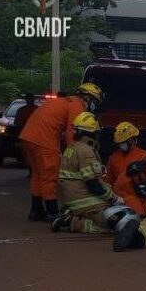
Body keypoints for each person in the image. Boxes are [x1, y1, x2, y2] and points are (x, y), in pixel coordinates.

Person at [19, 82, 104, 221]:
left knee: (37, 174)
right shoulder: (77, 106)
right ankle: (52, 212)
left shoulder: (66, 102)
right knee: (49, 176)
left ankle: (36, 210)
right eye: (95, 101)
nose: (94, 105)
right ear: (88, 98)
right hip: (44, 140)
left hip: (28, 137)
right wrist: (75, 153)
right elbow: (73, 131)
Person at [52, 112, 134, 233]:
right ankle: (72, 222)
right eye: (96, 133)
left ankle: (71, 213)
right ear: (91, 133)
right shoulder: (86, 151)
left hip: (73, 197)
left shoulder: (72, 148)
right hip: (84, 199)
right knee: (117, 223)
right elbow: (93, 184)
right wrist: (114, 198)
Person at [105, 121, 146, 216]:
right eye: (120, 143)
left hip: (136, 197)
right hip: (117, 197)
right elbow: (108, 179)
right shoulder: (114, 157)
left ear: (132, 139)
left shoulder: (143, 155)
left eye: (123, 142)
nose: (121, 145)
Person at [13, 94, 38, 177]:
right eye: (29, 99)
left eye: (30, 99)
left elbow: (16, 123)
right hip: (29, 136)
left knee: (31, 154)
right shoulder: (23, 110)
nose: (30, 101)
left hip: (32, 136)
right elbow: (16, 123)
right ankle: (32, 170)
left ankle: (33, 170)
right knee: (29, 154)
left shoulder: (36, 109)